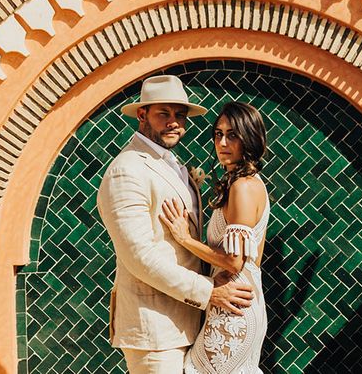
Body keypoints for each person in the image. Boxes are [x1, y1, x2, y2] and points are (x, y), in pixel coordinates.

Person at [97, 75, 255, 374]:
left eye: (179, 115)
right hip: (155, 329)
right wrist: (208, 292)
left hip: (190, 321)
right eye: (163, 114)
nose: (174, 122)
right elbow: (139, 256)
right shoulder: (127, 170)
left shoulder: (170, 165)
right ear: (142, 115)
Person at [160, 101, 269, 374]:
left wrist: (184, 239)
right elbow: (253, 260)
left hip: (234, 309)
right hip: (235, 302)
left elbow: (235, 263)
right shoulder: (245, 183)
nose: (222, 142)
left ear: (250, 138)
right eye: (218, 134)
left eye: (232, 135)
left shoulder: (244, 187)